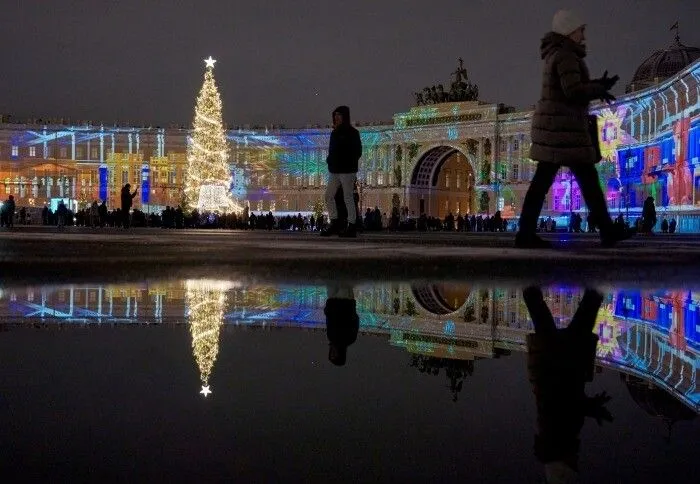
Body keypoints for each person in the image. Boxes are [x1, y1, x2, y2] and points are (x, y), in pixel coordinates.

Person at [515, 10, 634, 249]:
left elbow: (571, 88)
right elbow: (572, 91)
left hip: (558, 128)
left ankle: (526, 234)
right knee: (585, 182)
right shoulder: (566, 55)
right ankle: (606, 232)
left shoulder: (557, 54)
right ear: (570, 31)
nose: (583, 34)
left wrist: (596, 86)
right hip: (563, 130)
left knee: (552, 183)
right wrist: (597, 89)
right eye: (580, 29)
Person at [523, 286, 613, 483]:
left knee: (589, 304)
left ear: (563, 463)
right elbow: (568, 404)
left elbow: (563, 402)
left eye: (574, 463)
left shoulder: (558, 435)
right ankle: (527, 272)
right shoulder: (556, 437)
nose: (577, 459)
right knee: (539, 307)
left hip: (560, 361)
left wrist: (590, 407)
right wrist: (591, 407)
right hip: (557, 361)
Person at [321, 106, 362, 238]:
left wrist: (347, 161)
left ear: (345, 117)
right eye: (335, 115)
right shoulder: (334, 133)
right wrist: (329, 161)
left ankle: (352, 225)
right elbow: (331, 151)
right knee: (328, 196)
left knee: (347, 197)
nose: (336, 118)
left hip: (347, 171)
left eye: (339, 115)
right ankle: (334, 222)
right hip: (335, 171)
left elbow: (358, 152)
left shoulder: (353, 133)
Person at [324, 283, 359, 366]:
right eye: (334, 355)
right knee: (342, 279)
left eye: (330, 355)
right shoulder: (333, 338)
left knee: (336, 279)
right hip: (340, 303)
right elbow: (329, 321)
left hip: (344, 303)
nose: (332, 353)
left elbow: (356, 320)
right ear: (340, 355)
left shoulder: (350, 340)